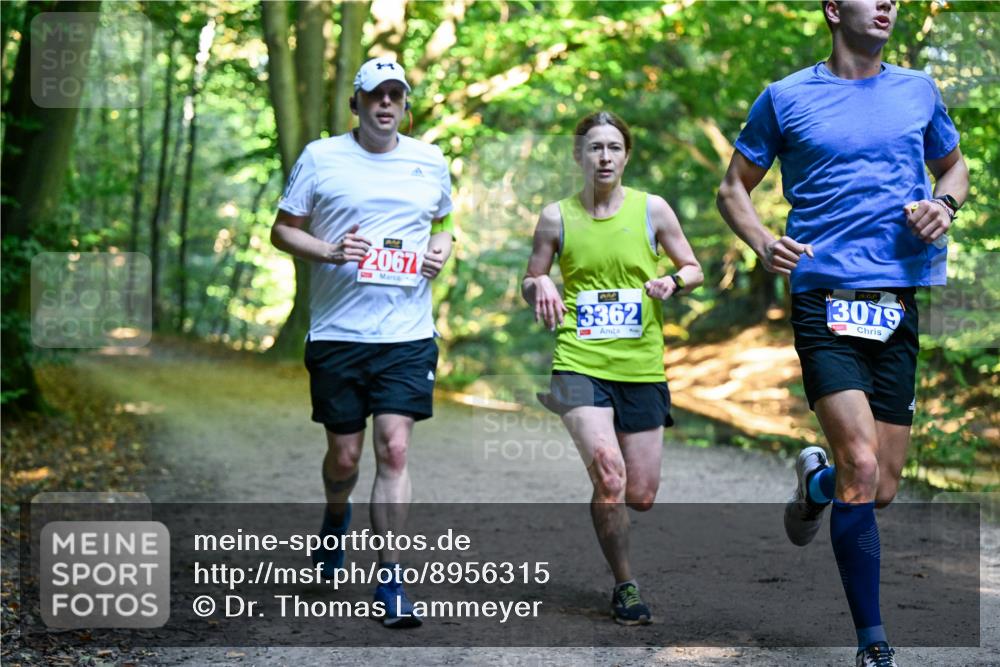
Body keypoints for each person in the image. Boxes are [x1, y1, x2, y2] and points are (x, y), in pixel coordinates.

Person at [716, 1, 968, 664]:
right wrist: (762, 241)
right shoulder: (786, 97)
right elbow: (732, 189)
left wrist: (943, 205)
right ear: (833, 9)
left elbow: (955, 168)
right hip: (823, 297)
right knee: (861, 464)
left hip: (896, 299)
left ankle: (816, 486)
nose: (886, 3)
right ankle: (873, 641)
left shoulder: (919, 90)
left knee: (878, 485)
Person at [270, 56, 455, 628]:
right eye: (376, 95)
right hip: (338, 334)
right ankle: (334, 517)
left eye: (396, 96)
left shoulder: (430, 160)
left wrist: (441, 253)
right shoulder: (321, 158)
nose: (385, 105)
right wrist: (328, 251)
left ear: (405, 104)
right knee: (345, 457)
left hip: (406, 335)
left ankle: (391, 578)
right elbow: (281, 229)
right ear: (356, 103)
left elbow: (444, 226)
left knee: (394, 450)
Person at [522, 111, 703, 625]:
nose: (604, 157)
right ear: (579, 155)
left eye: (614, 148)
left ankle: (616, 515)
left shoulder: (654, 210)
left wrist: (674, 282)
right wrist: (542, 284)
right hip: (579, 361)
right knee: (609, 473)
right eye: (595, 147)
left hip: (641, 366)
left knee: (640, 494)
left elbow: (694, 268)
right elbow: (531, 278)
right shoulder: (556, 217)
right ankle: (625, 585)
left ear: (626, 155)